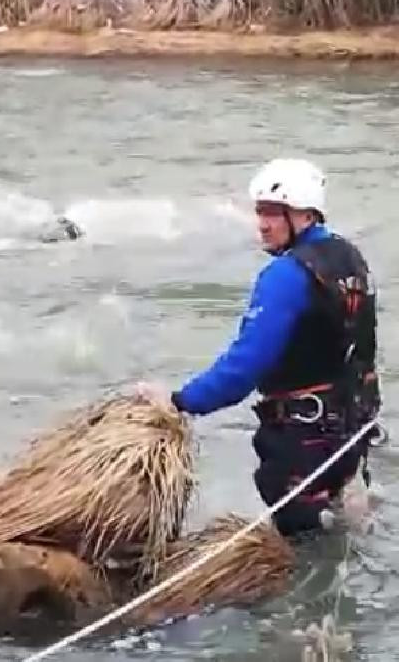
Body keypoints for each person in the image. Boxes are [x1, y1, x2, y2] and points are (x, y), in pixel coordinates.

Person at [145, 158, 381, 536]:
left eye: (273, 213)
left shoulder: (285, 276)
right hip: (351, 433)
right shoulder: (350, 258)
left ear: (304, 216)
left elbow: (243, 368)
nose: (262, 223)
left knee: (303, 550)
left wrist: (179, 401)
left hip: (303, 441)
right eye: (259, 211)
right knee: (344, 536)